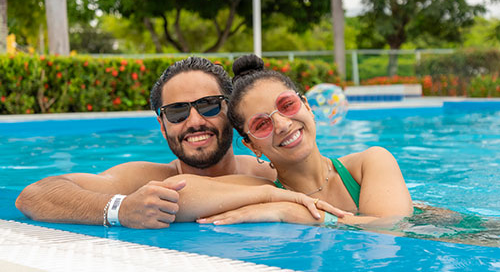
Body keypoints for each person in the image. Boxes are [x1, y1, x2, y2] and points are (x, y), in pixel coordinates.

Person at [15, 57, 289, 229]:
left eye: (207, 106)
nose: (194, 121)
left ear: (230, 111)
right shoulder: (148, 180)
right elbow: (34, 194)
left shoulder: (269, 172)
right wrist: (120, 209)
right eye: (177, 111)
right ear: (162, 125)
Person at [159, 54, 413, 226]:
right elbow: (179, 194)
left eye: (287, 105)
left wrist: (292, 213)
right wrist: (274, 201)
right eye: (261, 124)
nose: (281, 124)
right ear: (251, 145)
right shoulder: (264, 189)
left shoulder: (368, 164)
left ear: (306, 105)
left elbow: (393, 231)